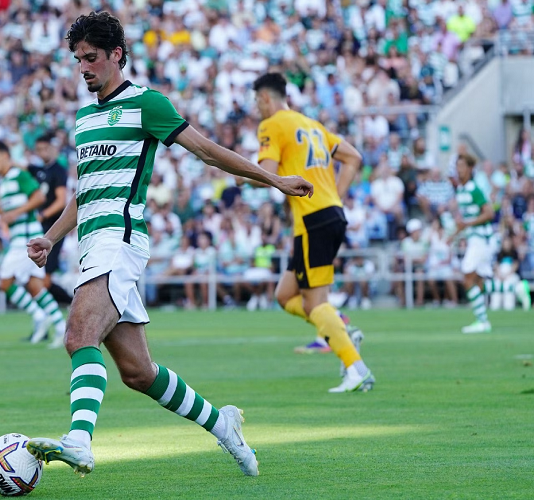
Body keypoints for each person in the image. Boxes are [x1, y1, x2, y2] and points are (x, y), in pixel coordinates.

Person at [23, 12, 313, 480]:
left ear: (117, 54)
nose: (83, 68)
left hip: (119, 240)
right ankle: (222, 424)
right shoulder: (84, 117)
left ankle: (79, 440)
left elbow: (207, 150)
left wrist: (274, 179)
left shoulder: (147, 104)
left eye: (91, 58)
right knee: (139, 373)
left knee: (78, 336)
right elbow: (86, 191)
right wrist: (51, 238)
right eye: (78, 59)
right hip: (91, 245)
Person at [251, 72, 374, 393]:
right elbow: (353, 157)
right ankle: (339, 327)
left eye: (256, 101)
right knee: (284, 295)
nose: (256, 108)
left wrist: (239, 174)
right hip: (327, 215)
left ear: (265, 98)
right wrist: (335, 196)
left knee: (314, 304)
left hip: (313, 220)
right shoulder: (312, 125)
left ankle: (356, 368)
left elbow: (266, 173)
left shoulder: (272, 124)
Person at [0, 140, 67, 347]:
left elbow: (39, 198)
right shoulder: (4, 182)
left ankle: (40, 316)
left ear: (6, 156)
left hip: (26, 240)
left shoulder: (18, 175)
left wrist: (14, 213)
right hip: (20, 238)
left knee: (5, 283)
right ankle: (60, 326)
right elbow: (12, 214)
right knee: (35, 286)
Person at [450, 154, 496, 334]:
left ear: (470, 169)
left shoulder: (474, 189)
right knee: (479, 282)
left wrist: (467, 224)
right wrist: (454, 235)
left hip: (482, 239)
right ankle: (515, 287)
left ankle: (482, 321)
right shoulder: (461, 190)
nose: (459, 170)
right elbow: (466, 220)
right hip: (474, 238)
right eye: (457, 166)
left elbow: (489, 213)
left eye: (462, 166)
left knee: (467, 278)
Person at [28, 133, 68, 292]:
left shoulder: (58, 170)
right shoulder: (38, 170)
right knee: (38, 278)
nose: (42, 152)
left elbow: (61, 200)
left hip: (54, 227)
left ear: (52, 148)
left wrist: (42, 215)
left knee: (45, 280)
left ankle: (70, 300)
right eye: (39, 149)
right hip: (41, 227)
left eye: (45, 148)